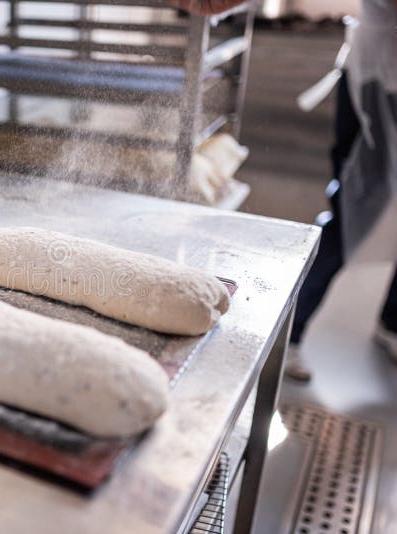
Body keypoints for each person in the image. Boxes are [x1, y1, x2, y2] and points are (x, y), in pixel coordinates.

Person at [169, 0, 397, 380]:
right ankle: (294, 334)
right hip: (377, 70)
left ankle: (388, 322)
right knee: (355, 208)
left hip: (377, 65)